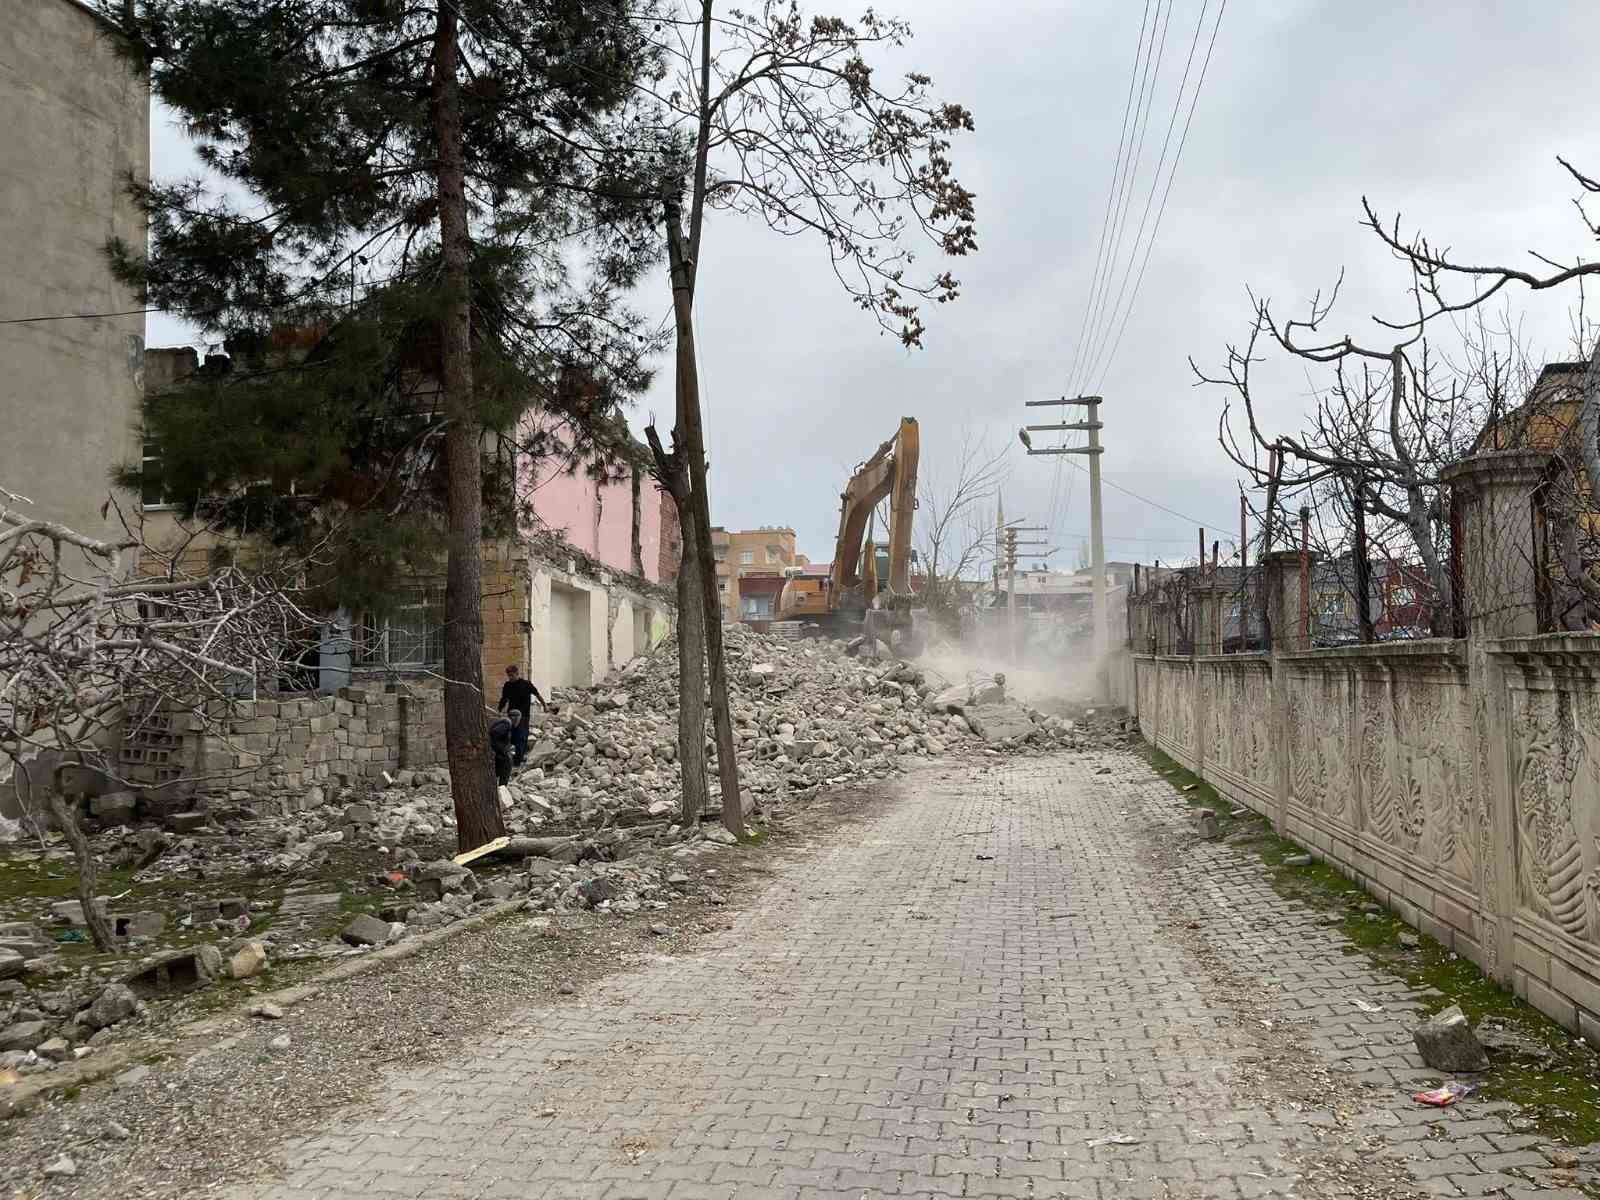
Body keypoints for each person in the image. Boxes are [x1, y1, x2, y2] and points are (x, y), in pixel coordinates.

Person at [496, 664, 546, 767]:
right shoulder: (508, 685)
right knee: (513, 736)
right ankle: (517, 756)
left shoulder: (526, 684)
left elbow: (537, 694)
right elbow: (504, 699)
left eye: (512, 675)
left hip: (523, 715)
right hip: (512, 715)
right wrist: (500, 710)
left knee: (521, 736)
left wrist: (545, 705)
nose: (510, 677)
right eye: (509, 675)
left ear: (517, 673)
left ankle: (518, 761)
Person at [489, 709, 518, 787]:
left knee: (499, 770)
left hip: (497, 750)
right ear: (514, 717)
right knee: (507, 767)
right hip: (498, 751)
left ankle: (498, 787)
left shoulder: (505, 722)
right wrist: (502, 749)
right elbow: (494, 733)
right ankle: (502, 788)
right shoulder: (507, 723)